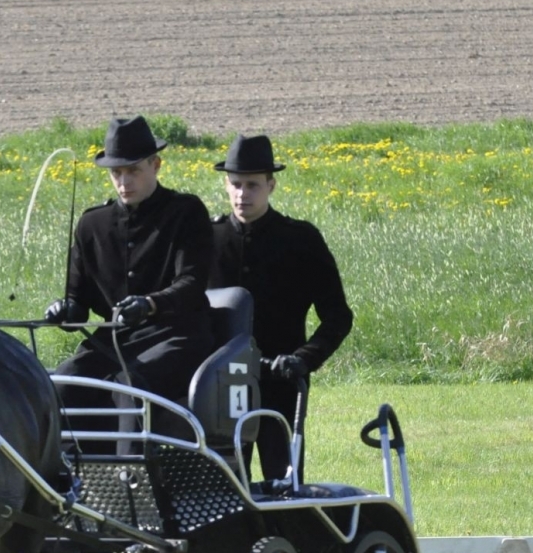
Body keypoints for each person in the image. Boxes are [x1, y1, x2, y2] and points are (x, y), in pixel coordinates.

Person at [45, 115, 215, 444]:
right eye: (116, 173)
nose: (124, 182)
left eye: (133, 170)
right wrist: (64, 310)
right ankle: (67, 477)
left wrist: (150, 304)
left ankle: (128, 477)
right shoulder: (92, 225)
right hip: (114, 342)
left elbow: (192, 283)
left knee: (130, 383)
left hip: (176, 337)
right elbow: (78, 301)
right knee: (62, 381)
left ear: (156, 165)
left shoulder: (186, 212)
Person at [209, 133, 352, 482]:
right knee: (222, 484)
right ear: (226, 186)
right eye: (236, 184)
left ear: (271, 185)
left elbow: (338, 316)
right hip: (221, 384)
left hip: (281, 380)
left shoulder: (300, 240)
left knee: (285, 482)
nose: (243, 194)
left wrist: (304, 358)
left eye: (253, 185)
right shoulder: (205, 240)